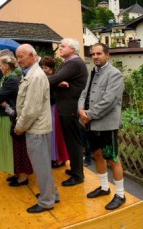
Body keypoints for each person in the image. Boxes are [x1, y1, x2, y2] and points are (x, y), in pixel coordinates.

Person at [78, 43, 127, 210]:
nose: (95, 57)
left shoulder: (115, 74)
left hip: (106, 124)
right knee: (97, 155)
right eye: (93, 54)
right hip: (91, 123)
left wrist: (88, 115)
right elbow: (84, 93)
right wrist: (80, 110)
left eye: (99, 54)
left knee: (112, 158)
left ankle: (120, 194)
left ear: (107, 55)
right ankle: (105, 187)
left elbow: (109, 101)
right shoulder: (93, 72)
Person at [14, 44, 59, 213]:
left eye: (21, 56)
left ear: (33, 55)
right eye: (17, 56)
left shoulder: (36, 77)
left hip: (36, 129)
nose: (19, 60)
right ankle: (53, 194)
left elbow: (31, 109)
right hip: (39, 127)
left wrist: (20, 127)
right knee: (44, 165)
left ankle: (47, 201)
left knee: (41, 167)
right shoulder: (33, 73)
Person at [47, 38, 89, 187]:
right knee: (71, 141)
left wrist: (55, 81)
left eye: (63, 46)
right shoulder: (68, 63)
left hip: (71, 108)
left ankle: (78, 175)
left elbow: (54, 79)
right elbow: (57, 80)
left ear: (72, 49)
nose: (60, 48)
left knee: (74, 142)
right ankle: (75, 170)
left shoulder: (74, 63)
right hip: (67, 107)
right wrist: (58, 82)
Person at [0, 55, 32, 185]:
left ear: (6, 66)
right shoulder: (8, 78)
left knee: (16, 147)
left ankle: (22, 176)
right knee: (12, 146)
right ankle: (17, 172)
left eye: (1, 64)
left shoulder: (11, 80)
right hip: (7, 114)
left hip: (11, 116)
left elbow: (0, 95)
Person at [40, 56, 69, 168]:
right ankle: (51, 157)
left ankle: (58, 158)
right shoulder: (44, 78)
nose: (44, 70)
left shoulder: (55, 79)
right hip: (46, 108)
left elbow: (55, 95)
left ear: (51, 68)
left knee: (55, 133)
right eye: (42, 67)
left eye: (46, 68)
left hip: (53, 108)